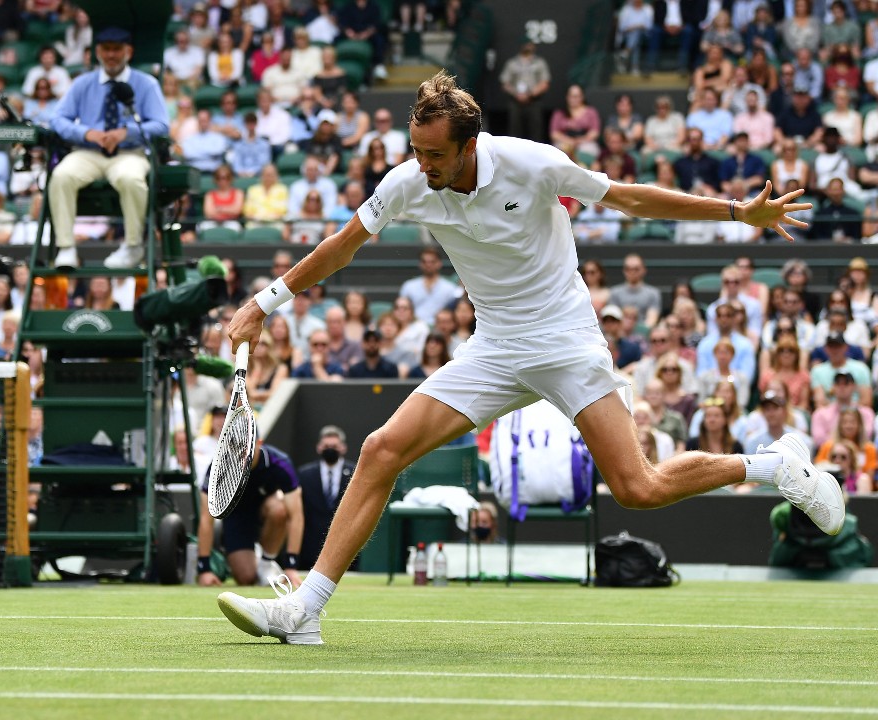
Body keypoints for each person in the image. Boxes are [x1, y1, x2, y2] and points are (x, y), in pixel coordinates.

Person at [215, 71, 842, 645]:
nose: (422, 164)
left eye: (435, 154)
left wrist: (737, 212)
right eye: (416, 150)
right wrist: (265, 304)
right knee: (382, 449)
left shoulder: (533, 163)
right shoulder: (408, 182)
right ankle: (306, 610)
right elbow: (341, 246)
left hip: (566, 341)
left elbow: (630, 199)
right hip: (493, 347)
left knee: (637, 488)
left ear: (469, 145)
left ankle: (773, 466)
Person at [48, 26, 169, 270]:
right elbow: (57, 119)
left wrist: (127, 133)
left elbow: (162, 126)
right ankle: (66, 248)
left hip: (129, 152)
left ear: (129, 51)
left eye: (117, 49)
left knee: (131, 178)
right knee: (61, 175)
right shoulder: (83, 83)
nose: (111, 55)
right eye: (106, 49)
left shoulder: (145, 84)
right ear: (98, 52)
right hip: (88, 151)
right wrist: (85, 132)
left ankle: (133, 246)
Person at [196, 438, 304, 587]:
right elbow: (206, 518)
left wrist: (291, 567)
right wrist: (204, 569)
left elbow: (296, 516)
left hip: (266, 509)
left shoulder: (279, 462)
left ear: (259, 443)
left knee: (279, 509)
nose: (243, 454)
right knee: (246, 578)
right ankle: (254, 556)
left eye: (247, 448)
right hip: (237, 515)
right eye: (238, 448)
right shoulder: (219, 467)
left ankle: (266, 563)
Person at [296, 425, 354, 569]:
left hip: (345, 548)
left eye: (334, 446)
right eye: (326, 445)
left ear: (343, 448)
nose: (330, 449)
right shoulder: (304, 474)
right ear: (319, 447)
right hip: (310, 551)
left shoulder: (355, 473)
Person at [498, 37, 550, 143]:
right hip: (516, 101)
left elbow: (545, 82)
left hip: (534, 101)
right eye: (526, 44)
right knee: (515, 132)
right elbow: (505, 83)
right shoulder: (512, 63)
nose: (528, 47)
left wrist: (531, 94)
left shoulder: (539, 62)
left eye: (530, 44)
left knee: (536, 131)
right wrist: (516, 94)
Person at [398, 247, 462, 326]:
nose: (428, 265)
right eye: (424, 262)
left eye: (432, 262)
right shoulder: (408, 286)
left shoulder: (450, 288)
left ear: (439, 263)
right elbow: (401, 310)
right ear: (420, 264)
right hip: (413, 328)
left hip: (441, 330)